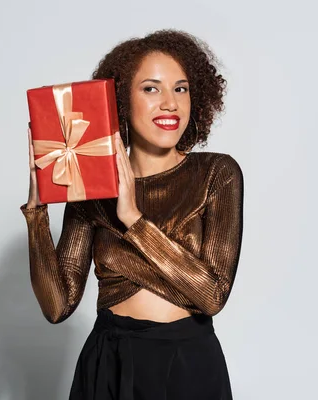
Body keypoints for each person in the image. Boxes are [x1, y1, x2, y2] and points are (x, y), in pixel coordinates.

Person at [20, 29, 243, 400]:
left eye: (181, 88)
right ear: (121, 101)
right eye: (151, 89)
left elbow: (212, 296)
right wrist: (36, 212)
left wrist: (134, 220)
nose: (170, 103)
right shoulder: (90, 189)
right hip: (109, 362)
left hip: (187, 364)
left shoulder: (216, 174)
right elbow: (57, 307)